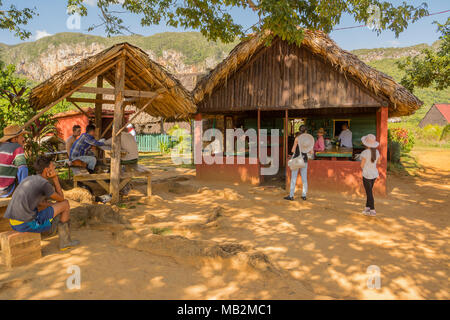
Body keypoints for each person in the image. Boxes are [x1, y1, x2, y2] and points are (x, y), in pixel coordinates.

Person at [4, 156, 80, 250]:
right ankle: (65, 242)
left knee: (49, 205)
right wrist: (55, 178)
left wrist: (53, 206)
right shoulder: (43, 183)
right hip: (26, 224)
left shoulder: (30, 179)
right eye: (53, 167)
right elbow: (61, 199)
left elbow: (40, 203)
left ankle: (53, 228)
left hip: (14, 222)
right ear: (47, 170)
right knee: (65, 204)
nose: (55, 169)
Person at [284, 126, 314, 201]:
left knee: (294, 178)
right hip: (304, 160)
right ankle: (304, 195)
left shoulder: (297, 138)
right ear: (305, 131)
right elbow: (311, 152)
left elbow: (293, 150)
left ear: (299, 130)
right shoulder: (308, 139)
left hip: (297, 160)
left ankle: (291, 196)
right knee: (304, 179)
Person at [0, 125, 29, 198]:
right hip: (4, 191)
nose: (23, 139)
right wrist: (24, 190)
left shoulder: (1, 147)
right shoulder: (17, 148)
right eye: (21, 136)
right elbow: (23, 169)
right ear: (14, 139)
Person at [360, 134, 381, 217]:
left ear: (366, 143)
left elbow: (361, 165)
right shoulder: (377, 152)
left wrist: (365, 168)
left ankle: (372, 210)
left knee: (369, 193)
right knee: (369, 192)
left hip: (367, 174)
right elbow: (378, 162)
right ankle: (367, 208)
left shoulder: (364, 152)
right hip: (374, 174)